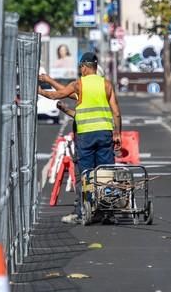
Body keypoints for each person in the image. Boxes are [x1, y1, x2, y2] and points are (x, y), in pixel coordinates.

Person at [39, 53, 122, 221]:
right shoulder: (106, 84)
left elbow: (57, 95)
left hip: (85, 135)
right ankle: (107, 211)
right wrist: (117, 133)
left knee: (86, 173)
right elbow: (117, 113)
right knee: (105, 172)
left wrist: (38, 90)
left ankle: (82, 211)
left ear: (84, 67)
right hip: (105, 133)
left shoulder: (79, 84)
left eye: (80, 67)